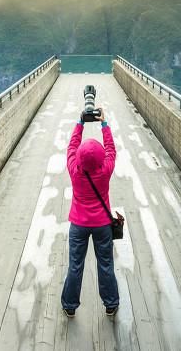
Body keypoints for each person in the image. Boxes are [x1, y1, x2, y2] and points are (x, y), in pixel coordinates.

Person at [61, 107, 119, 318]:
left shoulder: (74, 169)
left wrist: (80, 123)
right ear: (100, 157)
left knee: (75, 266)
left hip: (78, 225)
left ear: (79, 158)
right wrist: (104, 124)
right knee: (105, 264)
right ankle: (111, 304)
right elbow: (111, 149)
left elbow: (72, 146)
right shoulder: (105, 170)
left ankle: (69, 306)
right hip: (103, 225)